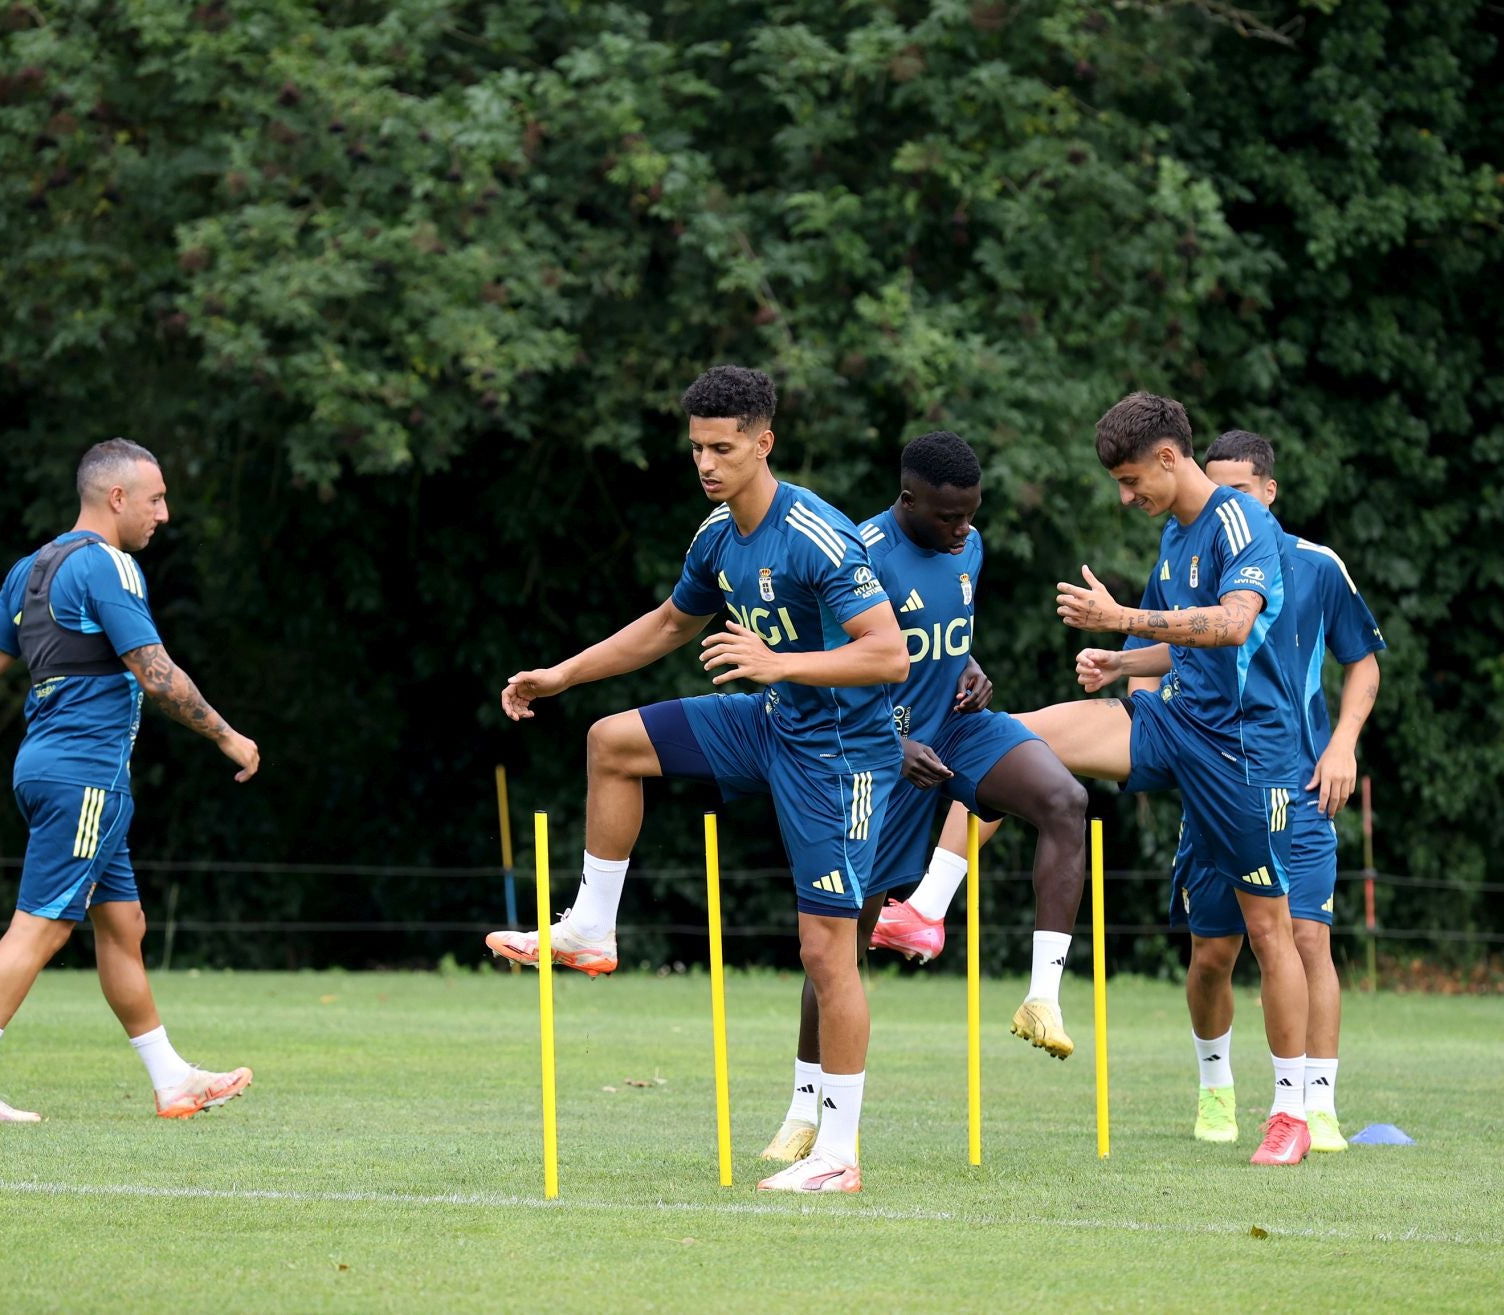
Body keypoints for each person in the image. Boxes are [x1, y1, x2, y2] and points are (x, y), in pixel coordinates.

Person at [486, 366, 909, 1194]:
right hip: (776, 722)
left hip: (842, 755)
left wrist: (777, 661)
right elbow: (670, 624)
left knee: (826, 951)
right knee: (612, 742)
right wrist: (561, 675)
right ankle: (592, 929)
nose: (708, 463)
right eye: (697, 449)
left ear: (764, 442)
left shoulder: (816, 534)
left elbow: (888, 655)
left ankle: (839, 1153)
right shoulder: (717, 535)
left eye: (723, 447)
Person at [906, 392, 1318, 1165]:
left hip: (1244, 751)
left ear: (1169, 457)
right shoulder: (1175, 532)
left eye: (1132, 481)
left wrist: (1122, 618)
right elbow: (1183, 643)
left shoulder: (1241, 523)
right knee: (1011, 737)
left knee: (1269, 927)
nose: (1127, 497)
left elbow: (1230, 625)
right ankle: (931, 904)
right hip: (1173, 720)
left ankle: (1291, 1110)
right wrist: (1122, 661)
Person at [0, 438, 260, 1122]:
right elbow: (155, 671)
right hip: (86, 775)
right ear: (116, 498)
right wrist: (228, 735)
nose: (165, 514)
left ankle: (171, 1077)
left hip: (49, 768)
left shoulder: (32, 569)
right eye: (156, 498)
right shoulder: (108, 567)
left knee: (123, 924)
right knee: (42, 924)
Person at [760, 431, 1091, 1163]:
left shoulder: (965, 546)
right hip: (874, 759)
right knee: (837, 946)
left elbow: (935, 632)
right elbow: (814, 664)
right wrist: (887, 739)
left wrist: (970, 665)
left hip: (958, 731)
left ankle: (1043, 997)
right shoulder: (858, 552)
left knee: (1066, 802)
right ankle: (804, 1106)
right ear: (908, 500)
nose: (964, 529)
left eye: (972, 514)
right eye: (949, 516)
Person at [1105, 430, 1384, 1152]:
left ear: (1268, 493)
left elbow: (1363, 662)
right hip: (1218, 781)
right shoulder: (1188, 547)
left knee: (1306, 936)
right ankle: (1216, 1090)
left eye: (1239, 488)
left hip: (1297, 779)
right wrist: (1140, 708)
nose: (1224, 500)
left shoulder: (1317, 567)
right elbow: (1157, 646)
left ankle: (1313, 1104)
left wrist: (1344, 742)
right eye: (1216, 486)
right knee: (1212, 955)